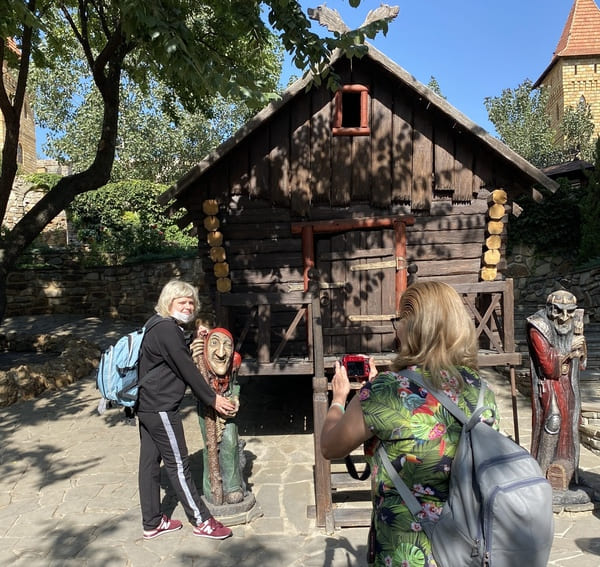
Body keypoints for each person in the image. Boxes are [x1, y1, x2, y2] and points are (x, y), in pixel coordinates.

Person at [320, 281, 499, 567]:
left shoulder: (387, 390)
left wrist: (340, 398)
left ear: (414, 327)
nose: (396, 330)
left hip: (405, 551)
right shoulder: (480, 389)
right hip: (464, 546)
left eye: (399, 321)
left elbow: (330, 446)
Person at [136, 279, 236, 540]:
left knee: (149, 464)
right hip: (160, 407)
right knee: (179, 464)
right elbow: (186, 367)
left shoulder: (158, 325)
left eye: (191, 302)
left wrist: (194, 336)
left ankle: (152, 522)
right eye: (182, 302)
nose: (188, 307)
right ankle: (202, 521)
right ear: (168, 303)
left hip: (146, 405)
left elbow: (172, 352)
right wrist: (212, 398)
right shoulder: (167, 329)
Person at [527, 289, 587, 491]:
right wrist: (570, 347)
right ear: (549, 309)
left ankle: (570, 473)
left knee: (571, 422)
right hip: (549, 384)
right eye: (558, 311)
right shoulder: (538, 327)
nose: (564, 317)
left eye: (570, 311)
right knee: (553, 420)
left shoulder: (574, 323)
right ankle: (541, 473)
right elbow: (547, 363)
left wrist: (580, 347)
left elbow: (580, 361)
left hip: (568, 384)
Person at [193, 325, 246, 505]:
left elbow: (235, 384)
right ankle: (211, 487)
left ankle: (233, 486)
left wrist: (235, 398)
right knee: (211, 446)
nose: (221, 353)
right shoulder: (201, 364)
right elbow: (194, 385)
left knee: (230, 442)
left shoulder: (233, 364)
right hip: (206, 408)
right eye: (214, 344)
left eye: (227, 346)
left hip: (227, 409)